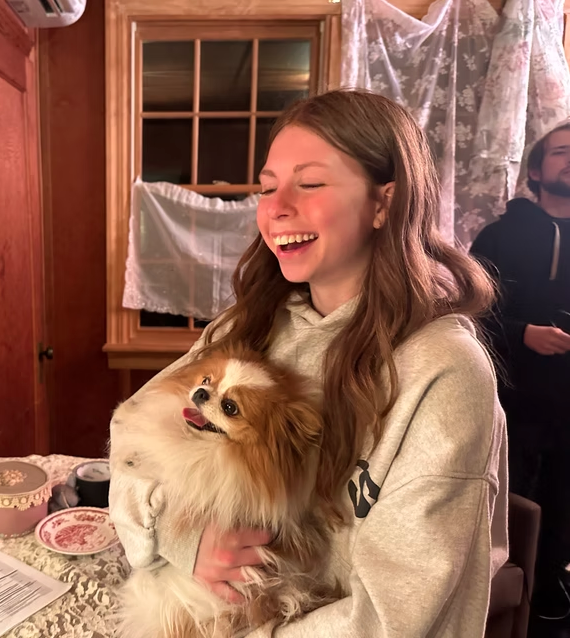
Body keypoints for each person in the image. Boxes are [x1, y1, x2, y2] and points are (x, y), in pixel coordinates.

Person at [109, 89, 509, 636]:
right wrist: (179, 537)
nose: (275, 207)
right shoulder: (243, 328)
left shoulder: (442, 371)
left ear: (384, 202)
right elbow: (130, 438)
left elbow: (397, 614)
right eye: (267, 186)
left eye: (311, 183)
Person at [470, 122, 570, 619]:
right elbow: (469, 312)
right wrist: (522, 333)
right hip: (518, 398)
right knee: (516, 504)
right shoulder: (500, 235)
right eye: (561, 152)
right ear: (535, 169)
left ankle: (551, 594)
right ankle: (509, 603)